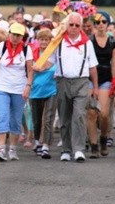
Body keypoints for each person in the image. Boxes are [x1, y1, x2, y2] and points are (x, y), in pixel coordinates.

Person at [40, 13, 99, 162]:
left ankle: (78, 149)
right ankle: (66, 149)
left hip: (81, 82)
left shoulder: (87, 43)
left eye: (77, 25)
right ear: (67, 25)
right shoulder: (59, 42)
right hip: (63, 81)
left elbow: (92, 67)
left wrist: (96, 87)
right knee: (64, 116)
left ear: (81, 27)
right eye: (71, 25)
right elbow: (50, 61)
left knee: (79, 115)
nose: (73, 28)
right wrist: (38, 67)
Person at [0, 22, 34, 162]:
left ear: (22, 37)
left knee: (16, 119)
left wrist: (28, 86)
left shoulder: (26, 50)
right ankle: (1, 149)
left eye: (19, 35)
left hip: (19, 89)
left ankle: (12, 148)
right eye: (13, 34)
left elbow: (30, 69)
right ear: (9, 34)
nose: (15, 38)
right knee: (2, 116)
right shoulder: (1, 47)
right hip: (2, 88)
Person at [87, 11, 115, 158]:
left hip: (106, 78)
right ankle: (94, 145)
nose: (101, 25)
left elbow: (114, 64)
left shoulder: (113, 42)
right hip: (90, 77)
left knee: (104, 114)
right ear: (94, 24)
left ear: (107, 24)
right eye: (98, 22)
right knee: (92, 113)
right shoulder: (89, 41)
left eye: (104, 22)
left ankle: (104, 138)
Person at [29, 28, 57, 159]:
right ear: (37, 40)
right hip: (35, 91)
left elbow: (51, 66)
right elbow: (29, 69)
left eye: (46, 39)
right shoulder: (32, 53)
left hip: (51, 90)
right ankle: (37, 141)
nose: (44, 42)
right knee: (36, 119)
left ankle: (45, 145)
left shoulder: (54, 54)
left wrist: (42, 67)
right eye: (41, 39)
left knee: (48, 118)